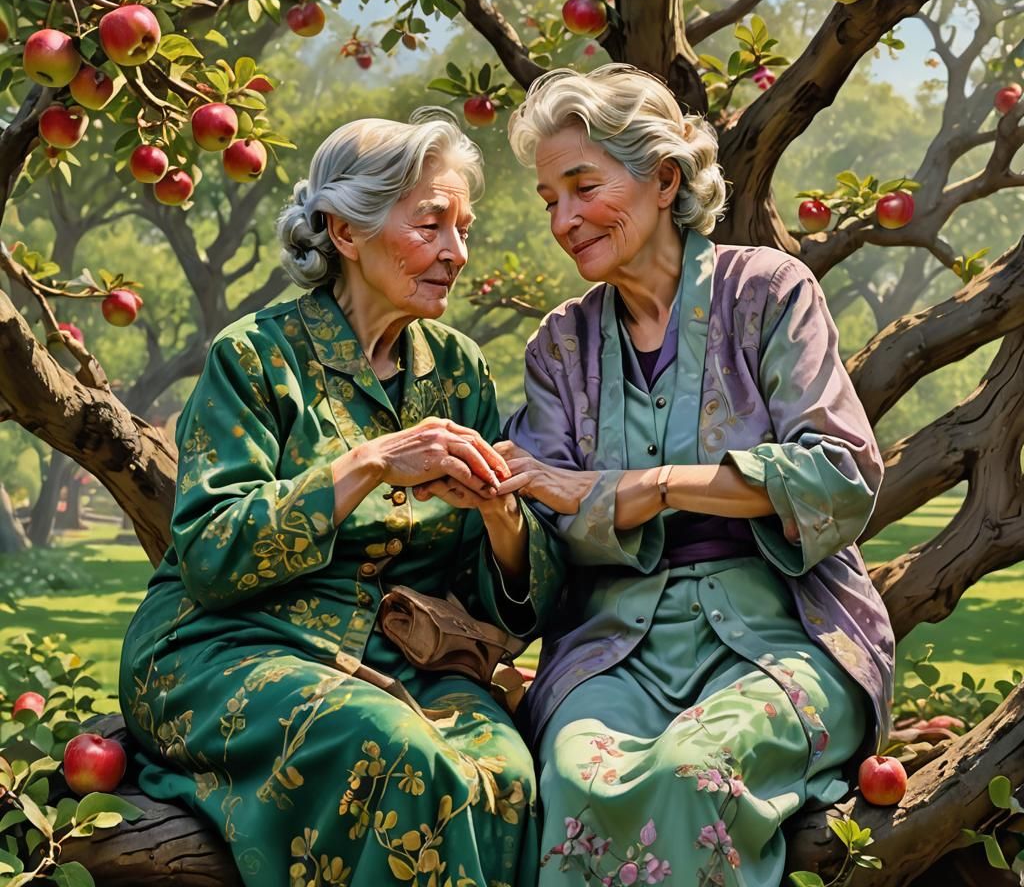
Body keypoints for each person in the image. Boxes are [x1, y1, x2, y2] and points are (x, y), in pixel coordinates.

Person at [118, 110, 547, 887]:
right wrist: (371, 463)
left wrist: (499, 514)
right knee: (397, 756)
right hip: (228, 646)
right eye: (431, 225)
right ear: (344, 232)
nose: (457, 254)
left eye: (464, 228)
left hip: (402, 656)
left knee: (508, 774)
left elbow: (497, 599)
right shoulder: (253, 357)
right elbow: (213, 557)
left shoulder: (460, 371)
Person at [491, 65, 895, 886]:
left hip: (784, 634)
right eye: (549, 200)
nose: (564, 220)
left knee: (693, 772)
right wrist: (512, 507)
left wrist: (660, 485)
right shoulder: (558, 348)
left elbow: (841, 474)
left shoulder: (770, 292)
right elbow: (545, 526)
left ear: (664, 177)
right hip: (612, 650)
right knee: (575, 779)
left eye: (583, 186)